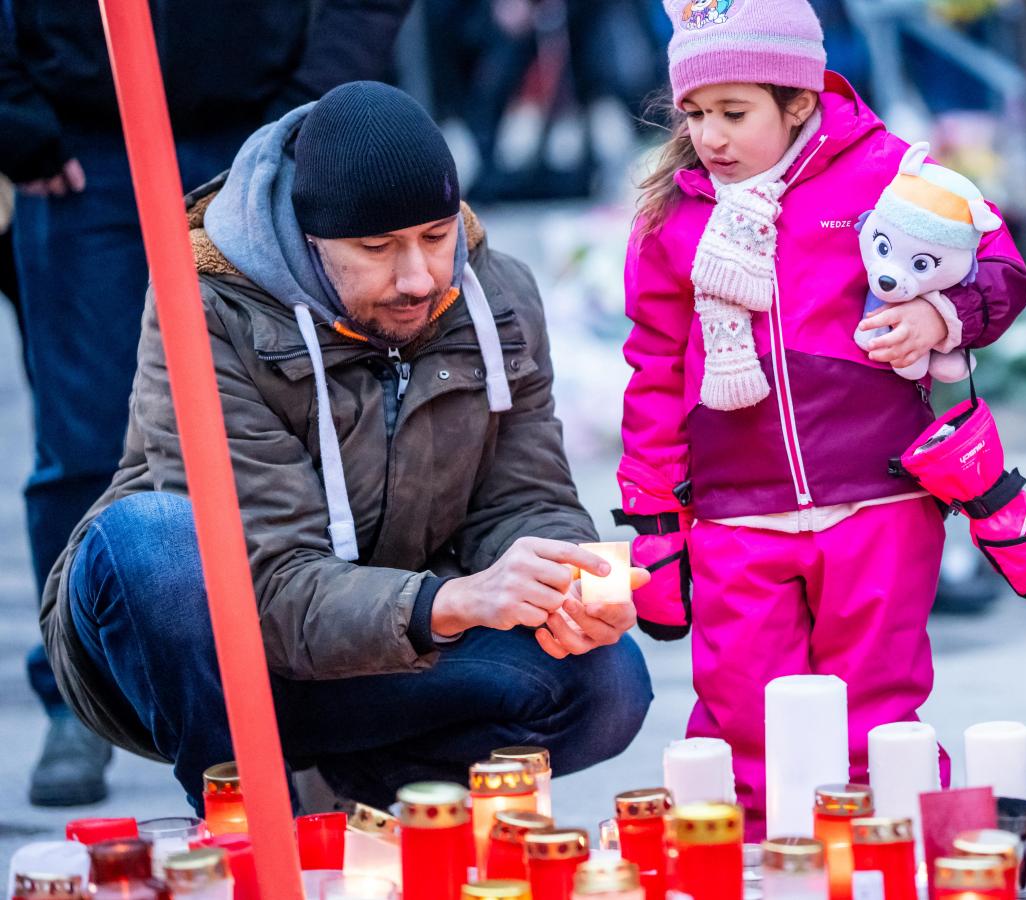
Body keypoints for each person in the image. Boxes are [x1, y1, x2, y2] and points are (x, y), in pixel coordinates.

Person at [37, 81, 653, 810]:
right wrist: (452, 601)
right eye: (376, 248)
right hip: (205, 652)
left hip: (382, 642)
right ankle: (249, 816)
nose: (419, 276)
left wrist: (562, 586)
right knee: (158, 541)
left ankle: (348, 794)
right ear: (308, 238)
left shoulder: (499, 295)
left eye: (434, 234)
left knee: (605, 682)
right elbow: (268, 584)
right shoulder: (207, 310)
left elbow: (525, 498)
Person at [613, 0, 1026, 837]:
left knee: (878, 721)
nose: (711, 137)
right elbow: (654, 369)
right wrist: (654, 516)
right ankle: (771, 869)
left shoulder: (890, 173)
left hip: (878, 502)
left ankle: (896, 858)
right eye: (696, 114)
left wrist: (940, 316)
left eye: (735, 113)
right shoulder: (671, 217)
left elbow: (1001, 265)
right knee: (742, 720)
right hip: (735, 514)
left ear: (799, 99)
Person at [1, 0, 414, 806]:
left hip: (261, 119)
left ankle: (329, 697)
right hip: (84, 140)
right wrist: (10, 98)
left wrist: (314, 102)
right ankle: (81, 693)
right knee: (84, 437)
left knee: (316, 413)